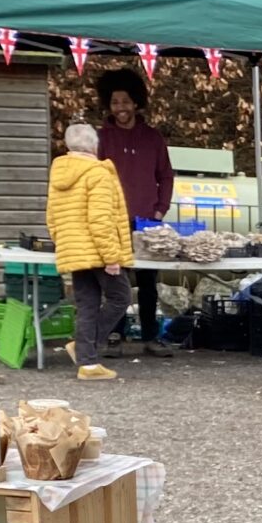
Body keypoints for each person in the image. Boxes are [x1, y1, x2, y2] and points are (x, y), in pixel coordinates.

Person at [95, 70, 174, 354]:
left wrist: (160, 210)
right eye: (115, 102)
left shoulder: (153, 138)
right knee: (115, 281)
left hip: (146, 222)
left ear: (136, 103)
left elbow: (166, 176)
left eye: (126, 101)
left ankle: (151, 338)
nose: (121, 108)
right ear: (108, 104)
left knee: (148, 282)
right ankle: (114, 336)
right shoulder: (100, 138)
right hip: (111, 221)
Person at [45, 123, 132, 382]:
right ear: (94, 145)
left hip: (73, 249)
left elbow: (51, 217)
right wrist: (111, 257)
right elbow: (101, 219)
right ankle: (85, 348)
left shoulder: (59, 173)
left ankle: (88, 364)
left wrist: (64, 242)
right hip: (98, 249)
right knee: (120, 297)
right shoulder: (99, 173)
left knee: (87, 305)